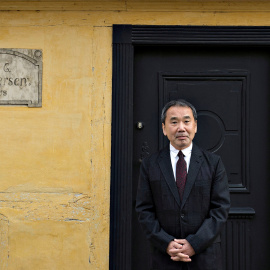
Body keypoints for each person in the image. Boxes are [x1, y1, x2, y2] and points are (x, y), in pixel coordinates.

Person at [135, 99, 230, 270]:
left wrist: (194, 243)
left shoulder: (214, 163)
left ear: (195, 126)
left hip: (205, 256)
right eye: (174, 122)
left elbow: (220, 209)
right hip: (164, 257)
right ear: (164, 128)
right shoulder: (150, 165)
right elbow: (144, 209)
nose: (181, 128)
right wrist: (166, 243)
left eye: (186, 121)